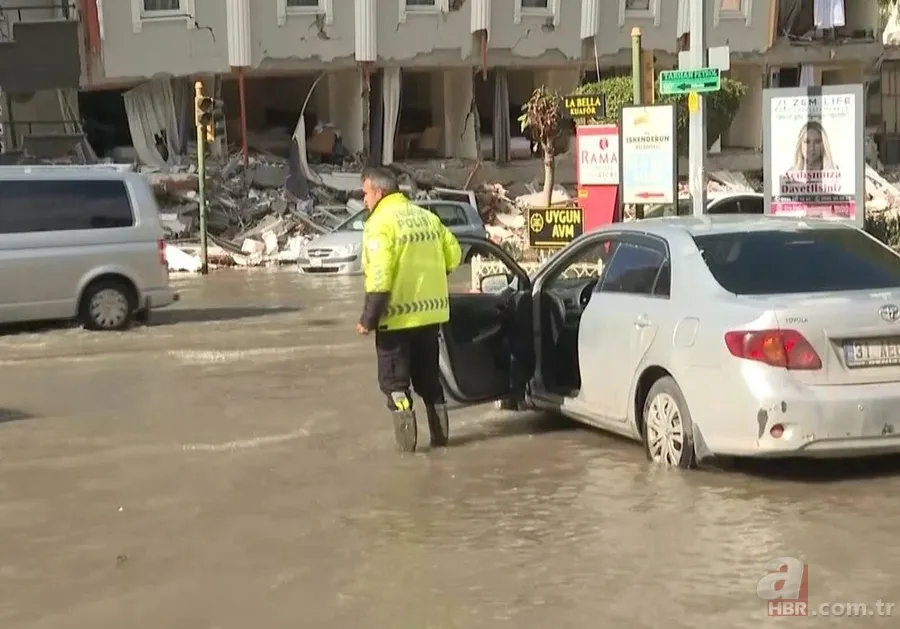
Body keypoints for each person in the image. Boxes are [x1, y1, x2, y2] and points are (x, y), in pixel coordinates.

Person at [356, 167, 462, 453]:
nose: (363, 200)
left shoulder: (379, 224)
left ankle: (408, 455)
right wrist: (429, 279)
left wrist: (368, 319)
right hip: (430, 317)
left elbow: (380, 277)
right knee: (430, 383)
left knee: (396, 386)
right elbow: (454, 255)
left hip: (395, 321)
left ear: (379, 193)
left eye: (365, 193)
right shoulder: (427, 217)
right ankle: (441, 444)